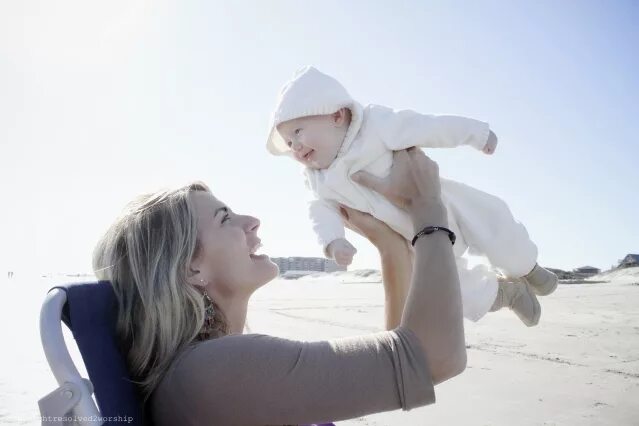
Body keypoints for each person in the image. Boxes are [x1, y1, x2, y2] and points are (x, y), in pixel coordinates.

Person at [92, 148, 467, 425]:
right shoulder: (214, 370)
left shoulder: (202, 369)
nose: (252, 220)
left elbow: (392, 364)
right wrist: (428, 209)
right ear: (191, 269)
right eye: (226, 219)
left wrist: (389, 247)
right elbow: (431, 358)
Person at [265, 65, 558, 327]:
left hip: (442, 202)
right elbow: (319, 210)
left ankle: (529, 269)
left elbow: (426, 126)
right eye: (289, 142)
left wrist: (475, 134)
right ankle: (508, 294)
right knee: (447, 288)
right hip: (412, 240)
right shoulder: (318, 180)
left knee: (493, 223)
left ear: (337, 115)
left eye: (298, 131)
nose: (295, 147)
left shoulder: (374, 126)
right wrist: (332, 241)